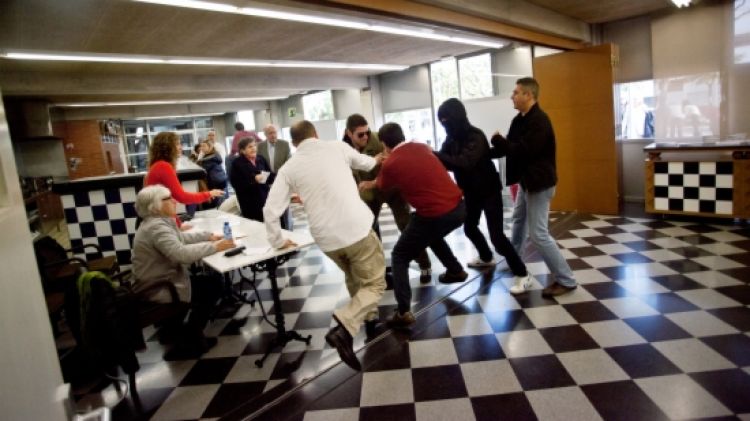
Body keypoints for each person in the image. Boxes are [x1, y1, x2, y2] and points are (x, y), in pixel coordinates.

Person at [263, 120, 385, 371]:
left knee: (354, 275)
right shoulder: (337, 147)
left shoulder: (289, 167)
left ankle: (369, 319)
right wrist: (381, 157)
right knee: (375, 283)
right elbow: (368, 163)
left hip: (326, 239)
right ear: (316, 134)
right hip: (356, 229)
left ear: (295, 142)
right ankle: (345, 324)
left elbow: (270, 210)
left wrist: (277, 240)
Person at [360, 123, 467, 326]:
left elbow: (382, 184)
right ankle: (455, 270)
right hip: (459, 208)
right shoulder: (421, 147)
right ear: (402, 136)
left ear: (384, 143)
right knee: (432, 235)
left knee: (399, 256)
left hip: (433, 214)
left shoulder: (391, 163)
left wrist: (372, 179)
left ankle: (403, 312)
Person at [490, 77, 577, 297]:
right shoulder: (519, 120)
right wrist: (485, 151)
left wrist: (502, 142)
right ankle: (515, 260)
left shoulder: (540, 121)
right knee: (518, 220)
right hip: (526, 182)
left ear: (529, 95)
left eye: (516, 92)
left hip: (540, 184)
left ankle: (566, 280)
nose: (512, 96)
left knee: (538, 234)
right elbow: (508, 146)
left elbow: (523, 150)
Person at [435, 98, 530, 290]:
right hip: (470, 191)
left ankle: (522, 273)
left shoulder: (475, 136)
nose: (444, 125)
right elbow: (445, 162)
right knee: (470, 227)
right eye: (441, 121)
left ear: (456, 117)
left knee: (497, 237)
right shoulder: (451, 139)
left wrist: (435, 154)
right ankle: (486, 257)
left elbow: (465, 162)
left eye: (446, 120)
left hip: (489, 191)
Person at [131, 184, 235, 355]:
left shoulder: (156, 222)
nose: (174, 201)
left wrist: (208, 236)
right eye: (168, 199)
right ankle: (192, 336)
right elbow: (180, 254)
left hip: (159, 281)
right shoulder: (157, 227)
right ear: (155, 206)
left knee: (208, 282)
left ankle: (181, 331)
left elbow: (181, 238)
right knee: (212, 285)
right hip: (160, 287)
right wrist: (215, 247)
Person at [343, 114, 432, 284]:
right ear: (349, 133)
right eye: (360, 134)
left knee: (407, 227)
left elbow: (395, 160)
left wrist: (381, 165)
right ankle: (379, 272)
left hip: (392, 190)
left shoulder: (378, 139)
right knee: (368, 232)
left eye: (367, 132)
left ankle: (425, 265)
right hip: (369, 195)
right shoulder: (344, 148)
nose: (365, 137)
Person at [144, 132, 224, 224]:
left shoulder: (157, 165)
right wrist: (209, 194)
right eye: (177, 144)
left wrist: (178, 224)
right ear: (167, 147)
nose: (181, 147)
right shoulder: (163, 166)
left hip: (159, 220)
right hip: (161, 221)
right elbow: (182, 197)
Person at [258, 124, 293, 229]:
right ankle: (274, 228)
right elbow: (259, 163)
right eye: (270, 133)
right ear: (265, 135)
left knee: (284, 206)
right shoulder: (260, 146)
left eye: (275, 132)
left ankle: (287, 228)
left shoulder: (284, 144)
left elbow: (289, 162)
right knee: (271, 206)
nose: (273, 135)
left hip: (282, 179)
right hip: (267, 181)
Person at [230, 137, 271, 222]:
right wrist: (253, 179)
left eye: (254, 146)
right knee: (255, 225)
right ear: (242, 151)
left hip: (265, 197)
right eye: (250, 147)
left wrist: (272, 176)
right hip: (249, 201)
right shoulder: (237, 163)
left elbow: (270, 174)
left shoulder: (261, 158)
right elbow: (236, 183)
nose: (253, 148)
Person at [197, 141, 228, 208]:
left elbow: (200, 172)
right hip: (220, 183)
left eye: (204, 146)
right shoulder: (215, 156)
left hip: (213, 185)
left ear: (210, 147)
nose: (201, 148)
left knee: (215, 206)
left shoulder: (208, 159)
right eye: (201, 146)